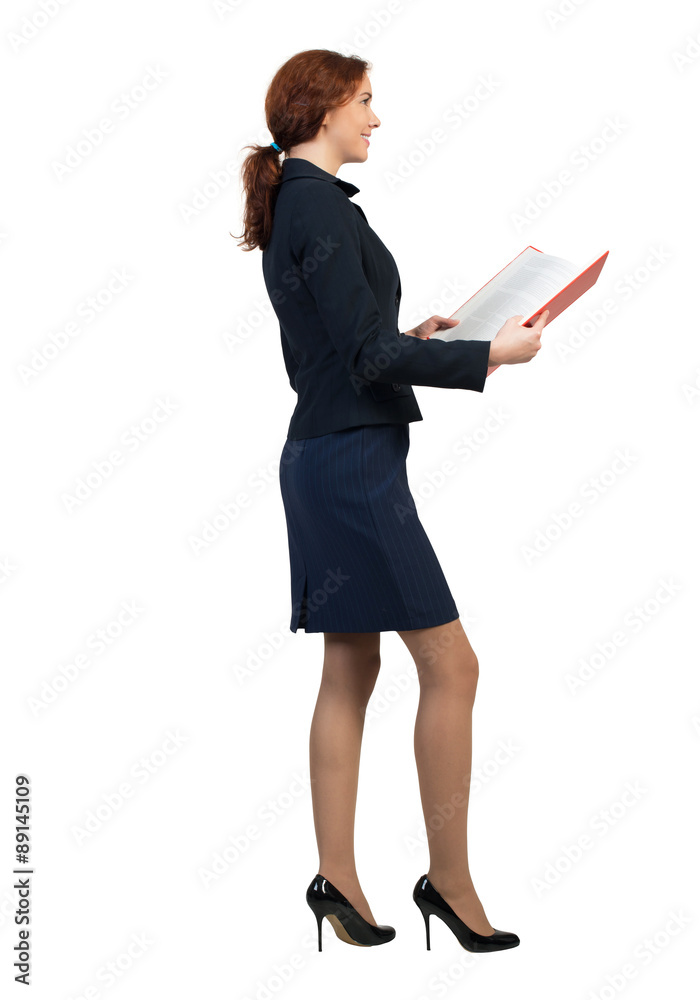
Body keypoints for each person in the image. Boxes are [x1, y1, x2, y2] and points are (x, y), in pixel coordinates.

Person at [235, 49, 548, 953]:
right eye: (366, 102)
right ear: (324, 108)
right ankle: (447, 883)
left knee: (352, 667)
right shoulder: (317, 206)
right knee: (453, 666)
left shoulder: (302, 204)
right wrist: (489, 355)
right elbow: (366, 363)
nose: (376, 119)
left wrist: (417, 335)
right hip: (352, 465)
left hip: (328, 453)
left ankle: (338, 879)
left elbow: (353, 347)